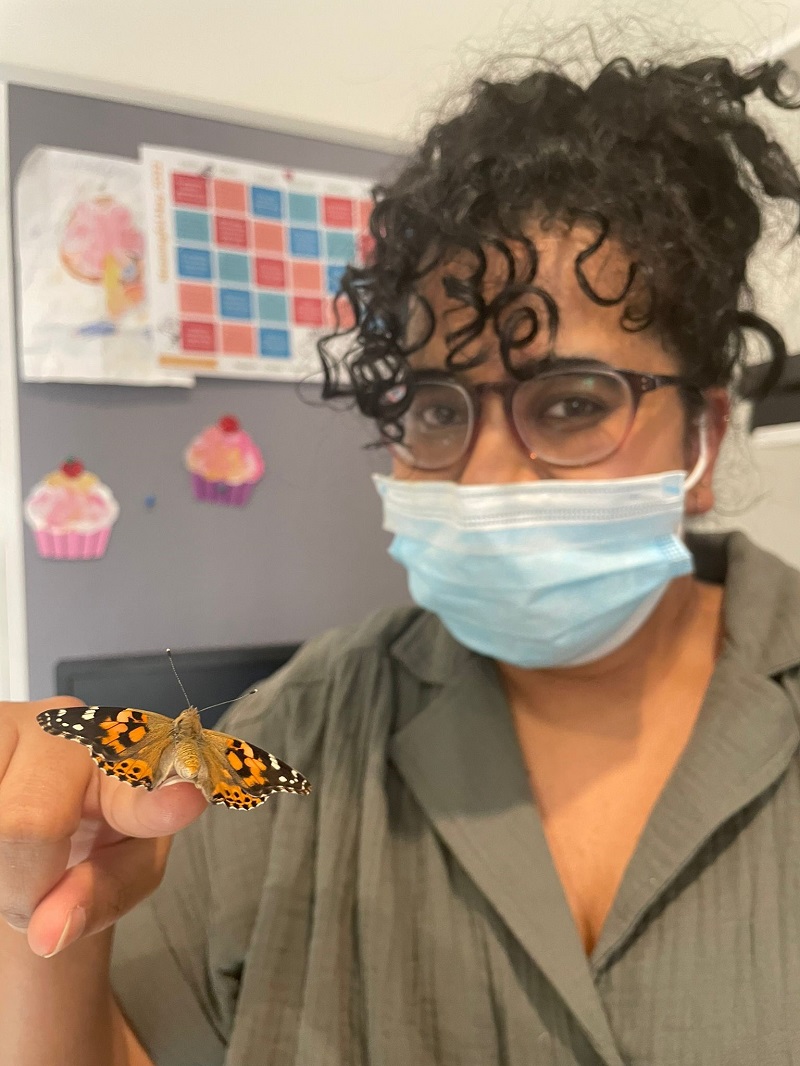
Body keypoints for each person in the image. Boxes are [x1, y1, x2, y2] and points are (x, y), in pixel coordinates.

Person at [3, 53, 800, 1066]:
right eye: (436, 409)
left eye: (570, 403)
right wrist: (42, 897)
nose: (484, 476)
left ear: (701, 442)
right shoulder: (297, 733)